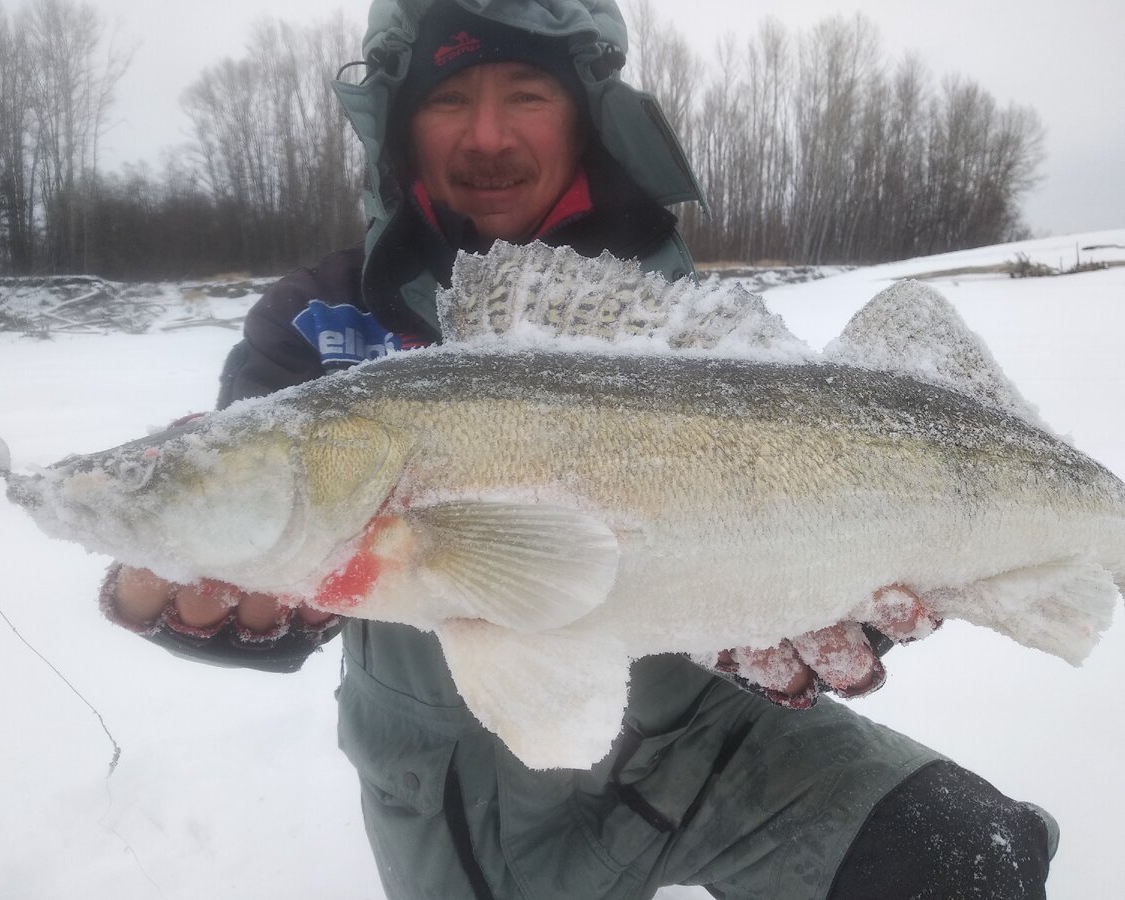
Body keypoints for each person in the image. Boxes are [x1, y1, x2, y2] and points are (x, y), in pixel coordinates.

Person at [103, 2, 1059, 897]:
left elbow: (815, 511)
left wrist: (836, 591)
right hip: (453, 793)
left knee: (974, 860)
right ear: (397, 125)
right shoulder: (317, 323)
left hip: (702, 733)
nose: (486, 135)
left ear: (587, 114)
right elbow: (276, 585)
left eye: (526, 92)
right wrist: (212, 607)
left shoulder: (690, 325)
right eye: (446, 96)